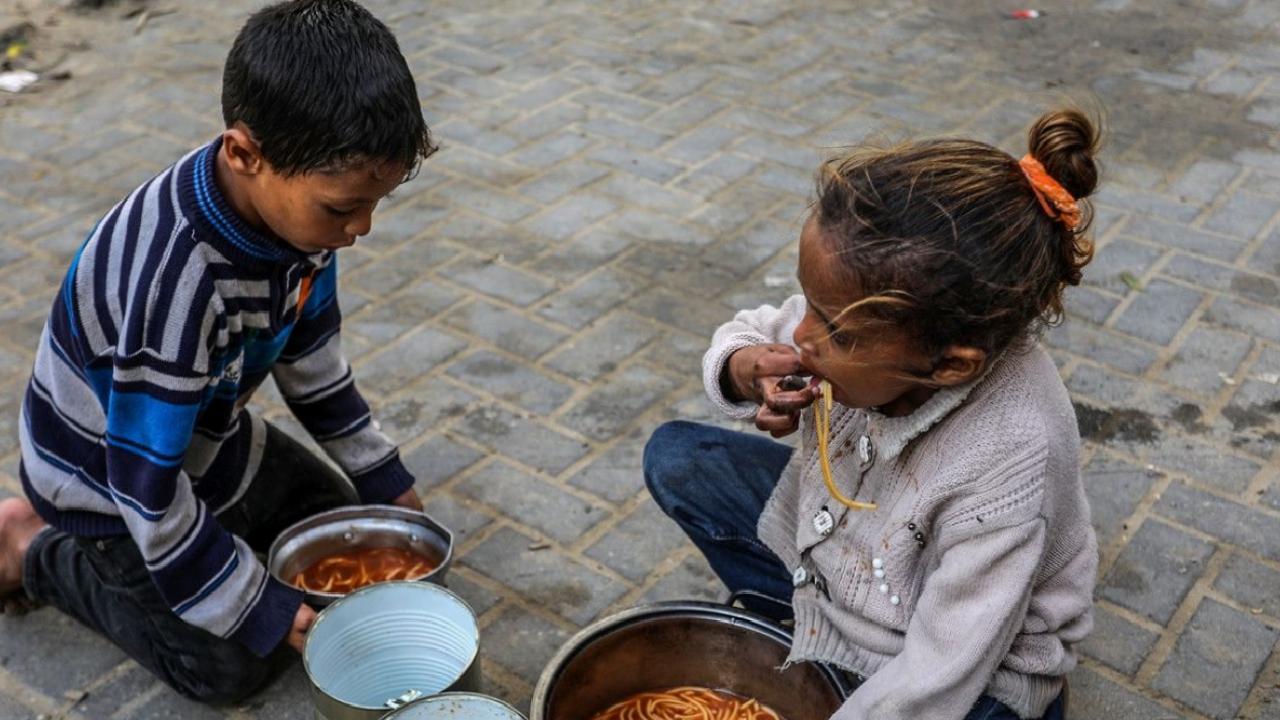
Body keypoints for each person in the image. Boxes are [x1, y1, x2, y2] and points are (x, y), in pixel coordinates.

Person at [0, 0, 435, 703]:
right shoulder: (174, 288)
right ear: (244, 154)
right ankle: (33, 548)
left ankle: (212, 548)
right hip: (110, 481)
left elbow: (312, 357)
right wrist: (257, 606)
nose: (361, 228)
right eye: (342, 208)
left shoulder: (297, 223)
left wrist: (381, 475)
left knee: (343, 522)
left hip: (196, 435)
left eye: (372, 204)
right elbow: (146, 487)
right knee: (231, 666)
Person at [645, 109, 1101, 720]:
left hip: (967, 661)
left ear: (949, 366)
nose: (802, 336)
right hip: (844, 573)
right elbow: (754, 330)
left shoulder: (1010, 459)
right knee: (678, 458)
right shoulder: (858, 317)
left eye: (833, 331)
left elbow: (941, 670)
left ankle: (847, 672)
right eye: (810, 304)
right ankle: (818, 636)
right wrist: (747, 368)